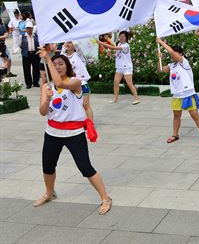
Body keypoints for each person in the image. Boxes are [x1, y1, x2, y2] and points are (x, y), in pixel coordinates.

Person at [35, 48, 111, 215]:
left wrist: (48, 58)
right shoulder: (47, 86)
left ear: (67, 66)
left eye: (60, 64)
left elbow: (61, 84)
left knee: (85, 167)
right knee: (48, 166)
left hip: (74, 133)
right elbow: (42, 112)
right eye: (54, 65)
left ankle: (105, 198)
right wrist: (47, 99)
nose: (57, 67)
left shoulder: (75, 82)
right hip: (52, 132)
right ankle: (50, 193)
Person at [156, 38, 199, 145]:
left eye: (176, 53)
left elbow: (171, 52)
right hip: (177, 95)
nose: (173, 55)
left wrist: (161, 42)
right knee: (176, 116)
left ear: (181, 54)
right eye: (173, 53)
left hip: (188, 94)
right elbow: (160, 70)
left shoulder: (184, 62)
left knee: (195, 115)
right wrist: (159, 59)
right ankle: (175, 134)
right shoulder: (172, 65)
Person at [97, 31, 140, 105]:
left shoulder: (126, 46)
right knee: (116, 82)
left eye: (123, 36)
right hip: (119, 67)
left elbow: (113, 48)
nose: (121, 38)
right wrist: (112, 55)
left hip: (127, 67)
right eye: (120, 36)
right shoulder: (119, 44)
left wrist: (101, 43)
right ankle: (115, 99)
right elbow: (118, 55)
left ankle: (137, 98)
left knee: (129, 83)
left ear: (126, 38)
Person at [62, 42, 94, 120]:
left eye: (70, 43)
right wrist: (63, 46)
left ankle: (90, 125)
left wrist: (72, 40)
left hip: (82, 84)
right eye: (67, 43)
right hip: (69, 86)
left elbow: (78, 48)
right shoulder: (64, 58)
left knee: (86, 105)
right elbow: (60, 58)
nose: (68, 45)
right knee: (71, 106)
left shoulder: (78, 55)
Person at [21, 21, 40, 89]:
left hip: (35, 54)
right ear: (26, 29)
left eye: (30, 28)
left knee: (36, 68)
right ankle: (28, 83)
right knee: (26, 69)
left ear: (32, 28)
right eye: (28, 28)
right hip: (26, 54)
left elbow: (38, 44)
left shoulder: (36, 35)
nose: (29, 29)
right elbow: (19, 45)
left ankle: (35, 82)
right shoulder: (22, 36)